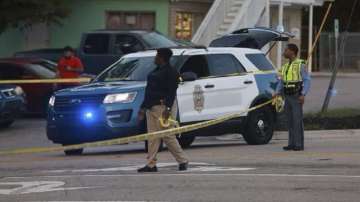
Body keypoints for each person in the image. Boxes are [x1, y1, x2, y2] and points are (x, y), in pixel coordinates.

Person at [137, 48, 189, 172]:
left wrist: (168, 109)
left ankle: (183, 160)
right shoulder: (156, 71)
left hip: (163, 107)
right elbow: (149, 91)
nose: (155, 58)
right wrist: (143, 108)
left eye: (157, 56)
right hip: (151, 107)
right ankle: (151, 164)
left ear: (162, 58)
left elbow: (172, 92)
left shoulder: (171, 72)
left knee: (167, 135)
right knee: (152, 137)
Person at [274, 44, 311, 151]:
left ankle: (299, 144)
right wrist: (276, 92)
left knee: (297, 121)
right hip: (287, 96)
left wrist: (303, 94)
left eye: (286, 50)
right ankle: (291, 143)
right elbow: (281, 81)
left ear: (292, 52)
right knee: (290, 121)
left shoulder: (301, 64)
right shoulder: (285, 67)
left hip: (296, 96)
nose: (284, 52)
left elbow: (307, 80)